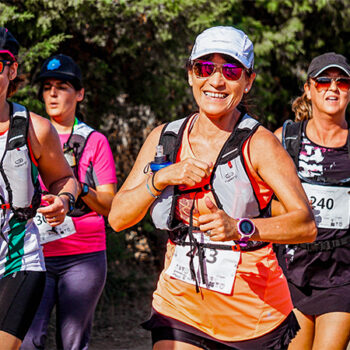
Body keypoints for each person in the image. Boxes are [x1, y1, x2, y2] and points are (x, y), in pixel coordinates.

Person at [108, 26, 316, 350]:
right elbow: (118, 218)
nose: (216, 81)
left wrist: (239, 227)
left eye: (231, 71)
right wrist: (160, 178)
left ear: (248, 82)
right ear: (191, 75)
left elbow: (305, 224)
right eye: (205, 68)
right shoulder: (164, 139)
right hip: (179, 308)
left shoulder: (261, 145)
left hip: (251, 319)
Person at [21, 54, 117, 350]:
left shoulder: (95, 141)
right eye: (47, 86)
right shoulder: (28, 133)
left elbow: (110, 205)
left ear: (80, 94)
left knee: (72, 343)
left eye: (62, 86)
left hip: (83, 256)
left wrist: (74, 188)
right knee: (26, 340)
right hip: (33, 251)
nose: (52, 93)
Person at [0, 28, 79, 350]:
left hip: (18, 260)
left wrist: (63, 200)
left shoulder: (35, 128)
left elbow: (65, 178)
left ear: (12, 69)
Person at [274, 52, 350, 350]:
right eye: (323, 81)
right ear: (308, 89)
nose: (333, 88)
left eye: (342, 82)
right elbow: (261, 200)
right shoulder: (286, 140)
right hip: (293, 270)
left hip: (342, 272)